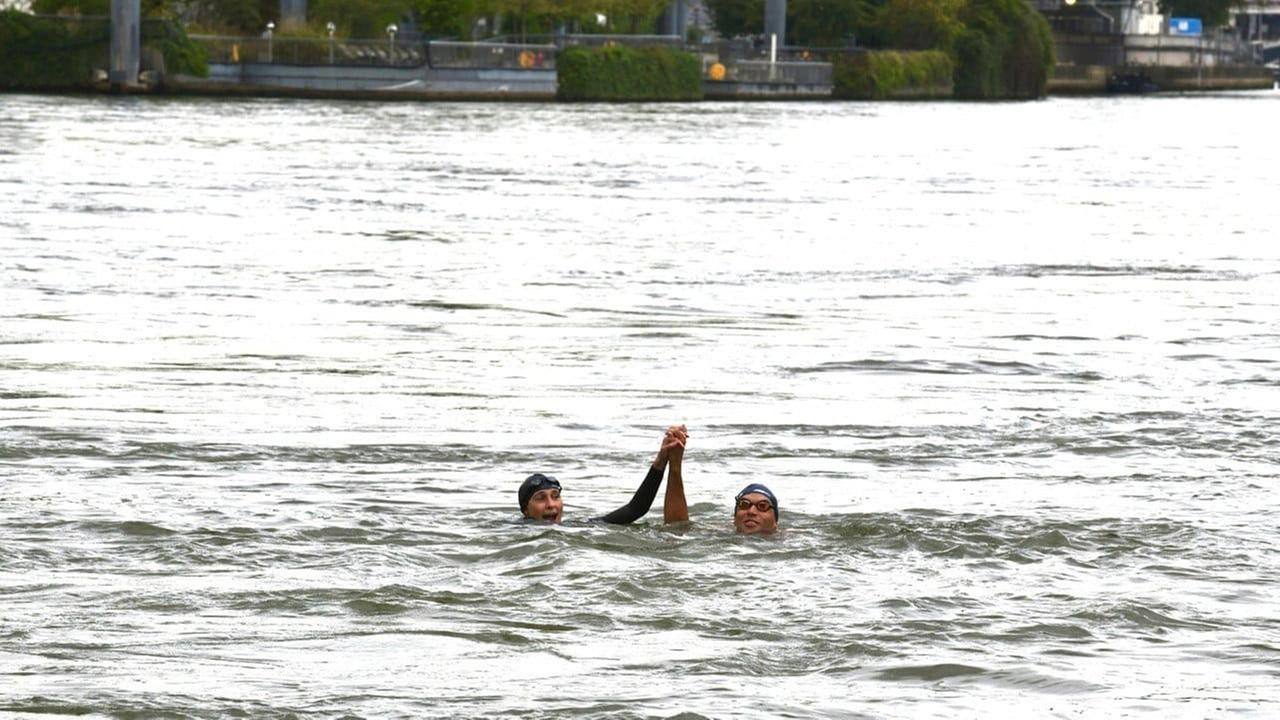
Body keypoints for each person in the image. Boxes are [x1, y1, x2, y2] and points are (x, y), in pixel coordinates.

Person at [518, 424, 688, 524]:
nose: (550, 504)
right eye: (541, 498)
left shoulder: (579, 527)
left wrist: (662, 459)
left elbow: (636, 509)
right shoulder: (511, 531)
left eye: (555, 496)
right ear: (525, 510)